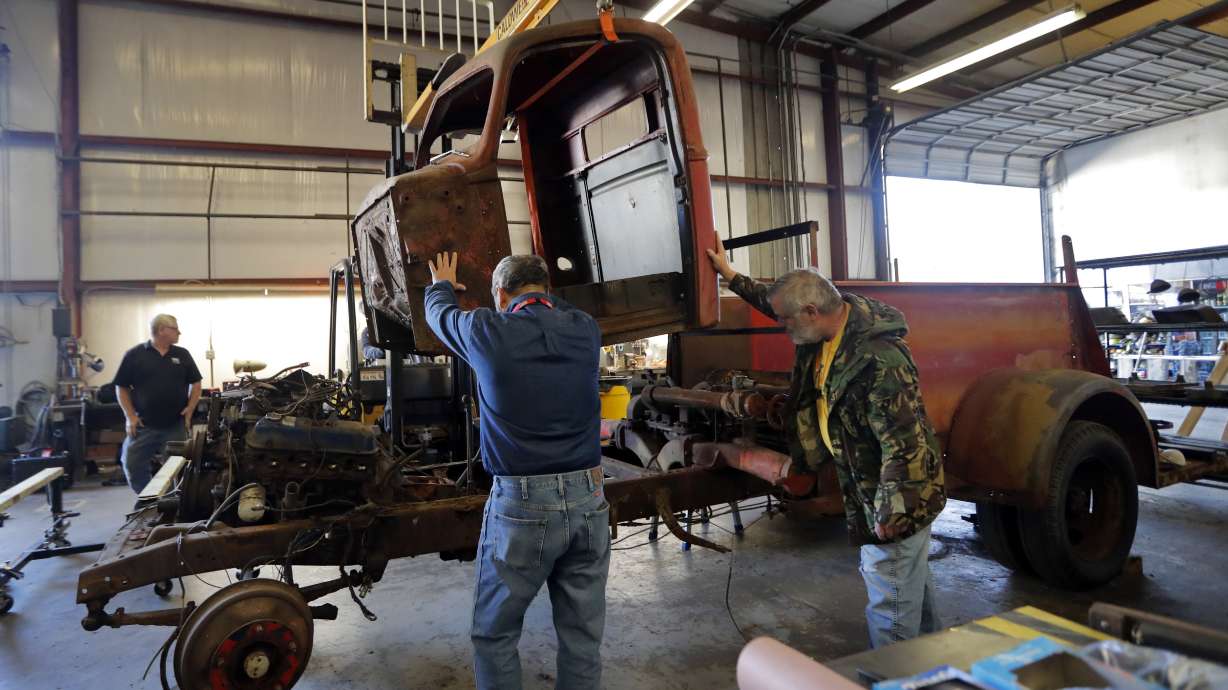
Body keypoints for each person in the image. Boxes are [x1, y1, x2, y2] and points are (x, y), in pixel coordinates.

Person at [707, 236, 945, 648]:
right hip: (866, 482)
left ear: (811, 312)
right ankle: (933, 670)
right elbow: (774, 301)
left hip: (893, 495)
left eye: (785, 320)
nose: (781, 326)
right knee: (911, 594)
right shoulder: (822, 329)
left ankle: (893, 675)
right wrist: (731, 277)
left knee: (890, 604)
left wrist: (892, 510)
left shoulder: (878, 358)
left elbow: (905, 443)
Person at [422, 251, 608, 690]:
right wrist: (534, 292)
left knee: (495, 633)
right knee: (582, 638)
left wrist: (442, 283)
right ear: (546, 293)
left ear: (500, 296)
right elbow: (551, 307)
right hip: (590, 498)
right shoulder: (585, 330)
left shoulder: (487, 330)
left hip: (522, 506)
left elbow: (440, 314)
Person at [113, 314, 203, 493]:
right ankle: (149, 499)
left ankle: (169, 503)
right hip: (143, 424)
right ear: (162, 330)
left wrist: (190, 409)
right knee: (132, 464)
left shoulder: (182, 354)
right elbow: (121, 387)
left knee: (177, 469)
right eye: (175, 329)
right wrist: (130, 416)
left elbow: (196, 384)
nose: (179, 332)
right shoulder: (135, 355)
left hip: (175, 424)